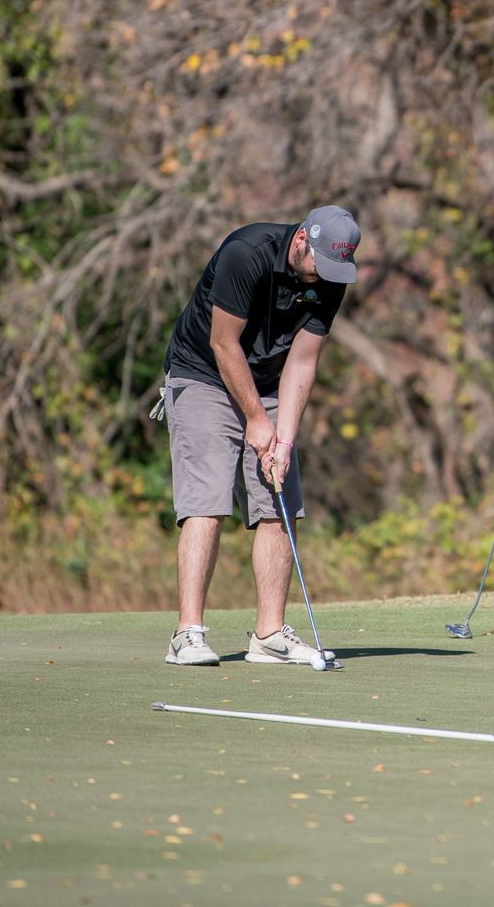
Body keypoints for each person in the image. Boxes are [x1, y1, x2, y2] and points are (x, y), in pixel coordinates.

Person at [157, 207, 358, 666]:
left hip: (268, 381)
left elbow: (303, 361)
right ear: (303, 239)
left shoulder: (330, 278)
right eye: (319, 264)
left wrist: (283, 439)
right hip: (203, 374)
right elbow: (223, 344)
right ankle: (187, 634)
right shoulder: (246, 253)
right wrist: (255, 418)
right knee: (207, 500)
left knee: (279, 499)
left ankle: (268, 635)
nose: (322, 278)